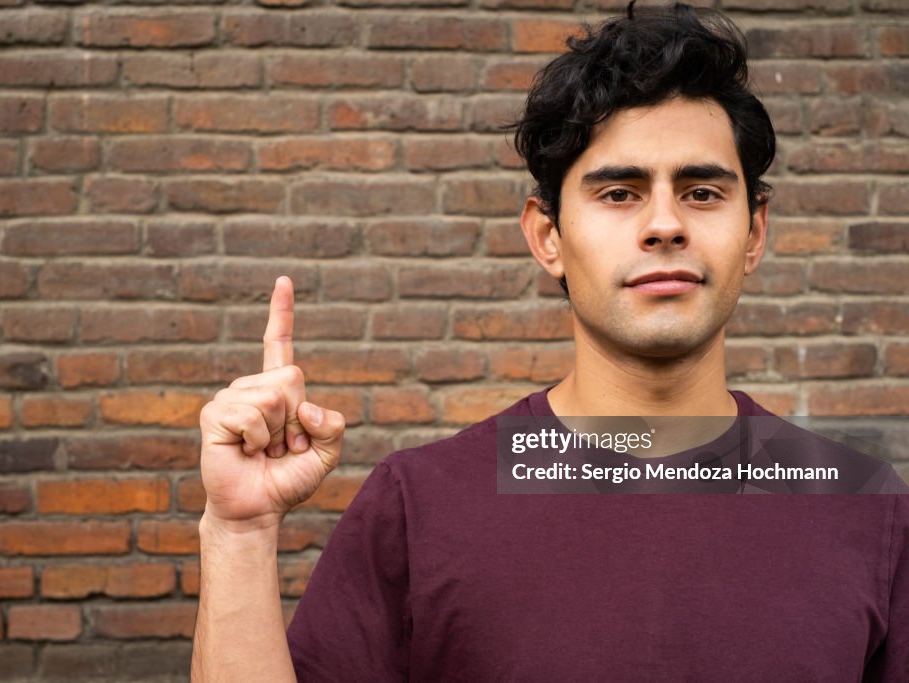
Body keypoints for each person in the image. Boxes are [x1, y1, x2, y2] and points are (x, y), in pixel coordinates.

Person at [191, 3, 908, 680]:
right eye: (619, 192)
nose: (665, 224)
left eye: (702, 191)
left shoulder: (868, 508)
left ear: (754, 232)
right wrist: (238, 532)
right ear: (547, 236)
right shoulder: (421, 506)